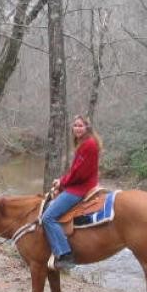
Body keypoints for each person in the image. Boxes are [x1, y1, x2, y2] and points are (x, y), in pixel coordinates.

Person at [43, 115, 102, 271]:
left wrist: (62, 183)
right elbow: (76, 171)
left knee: (48, 217)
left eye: (80, 125)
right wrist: (62, 180)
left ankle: (65, 254)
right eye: (75, 125)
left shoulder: (88, 145)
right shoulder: (85, 143)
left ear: (87, 127)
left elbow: (79, 174)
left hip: (80, 187)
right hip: (82, 184)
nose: (77, 128)